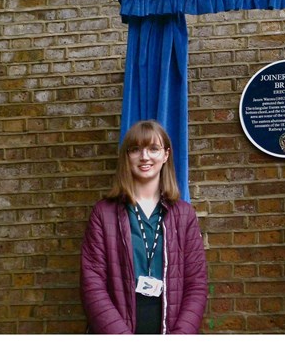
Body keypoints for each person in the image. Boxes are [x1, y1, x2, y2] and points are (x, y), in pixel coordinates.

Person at [80, 120, 208, 334]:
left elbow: (196, 284)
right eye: (136, 149)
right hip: (118, 327)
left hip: (170, 326)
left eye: (153, 149)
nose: (145, 156)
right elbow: (92, 285)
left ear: (166, 155)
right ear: (127, 156)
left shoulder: (184, 214)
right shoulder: (104, 213)